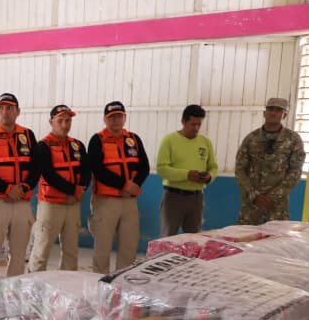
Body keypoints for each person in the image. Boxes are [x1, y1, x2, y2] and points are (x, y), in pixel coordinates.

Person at [0, 93, 39, 290]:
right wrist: (8, 189)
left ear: (18, 111)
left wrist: (24, 188)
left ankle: (14, 296)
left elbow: (36, 167)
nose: (5, 111)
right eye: (0, 108)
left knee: (19, 255)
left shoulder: (28, 135)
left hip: (22, 203)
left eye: (9, 108)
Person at [87, 101, 150, 274]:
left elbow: (144, 166)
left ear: (125, 117)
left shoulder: (134, 139)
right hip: (105, 201)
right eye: (111, 117)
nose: (115, 120)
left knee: (129, 245)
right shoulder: (97, 140)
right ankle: (99, 280)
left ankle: (123, 281)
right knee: (103, 246)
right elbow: (97, 169)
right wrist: (124, 184)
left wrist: (135, 185)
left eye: (118, 116)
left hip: (129, 201)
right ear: (105, 120)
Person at [28, 104, 90, 272]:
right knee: (41, 251)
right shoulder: (43, 146)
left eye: (68, 121)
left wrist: (81, 189)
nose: (64, 125)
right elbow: (48, 174)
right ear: (51, 122)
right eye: (60, 121)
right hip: (51, 206)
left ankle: (66, 286)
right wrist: (73, 190)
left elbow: (86, 170)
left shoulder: (77, 145)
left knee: (71, 252)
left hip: (73, 205)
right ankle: (33, 285)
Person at [235, 97, 305, 225]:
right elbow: (240, 169)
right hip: (251, 205)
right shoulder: (251, 139)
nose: (273, 113)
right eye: (270, 109)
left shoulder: (293, 139)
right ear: (264, 113)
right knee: (246, 236)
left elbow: (295, 171)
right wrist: (254, 195)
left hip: (277, 207)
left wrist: (273, 196)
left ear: (284, 115)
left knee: (276, 237)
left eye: (278, 110)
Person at [156, 104, 218, 236]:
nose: (196, 128)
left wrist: (209, 176)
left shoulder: (206, 142)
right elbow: (162, 169)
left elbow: (213, 167)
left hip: (197, 198)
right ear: (183, 122)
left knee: (194, 239)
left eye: (199, 124)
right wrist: (187, 175)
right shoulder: (169, 140)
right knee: (168, 237)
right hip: (173, 197)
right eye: (192, 124)